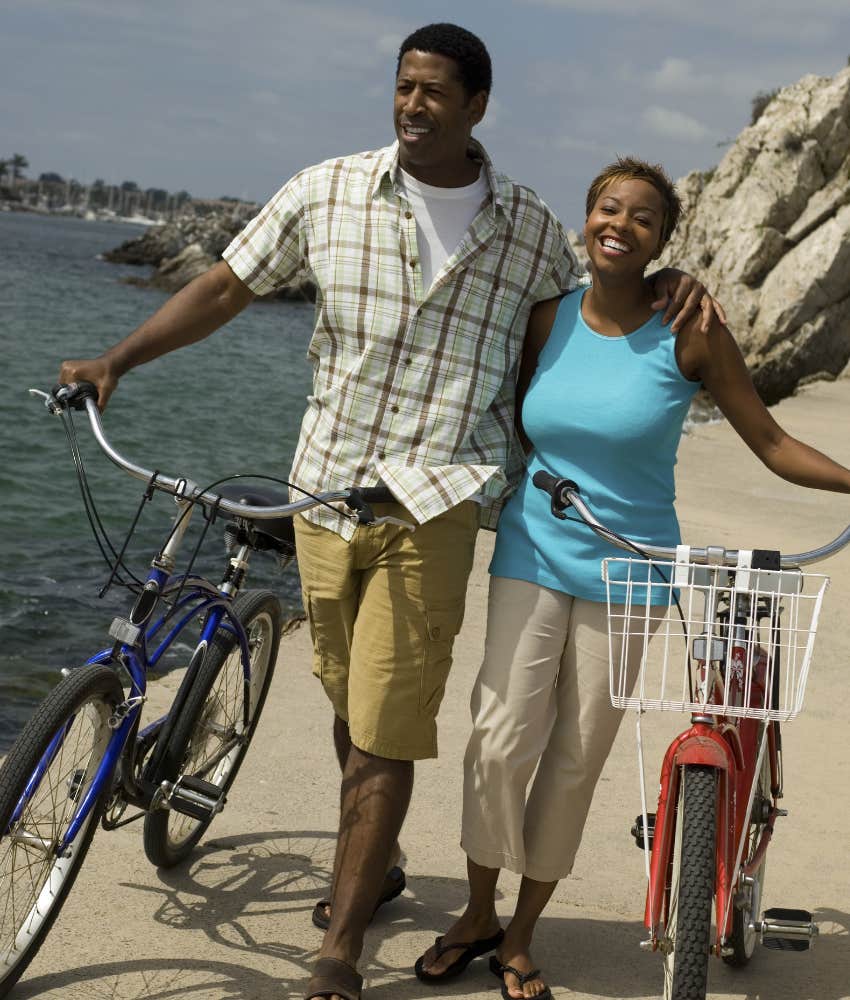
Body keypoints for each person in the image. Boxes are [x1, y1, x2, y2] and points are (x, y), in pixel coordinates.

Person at [59, 25, 717, 1000]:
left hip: (436, 508)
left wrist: (668, 288)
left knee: (384, 728)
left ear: (476, 106)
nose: (413, 104)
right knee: (347, 697)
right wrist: (118, 360)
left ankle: (341, 946)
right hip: (320, 490)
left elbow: (595, 306)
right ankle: (376, 854)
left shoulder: (527, 229)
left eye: (435, 91)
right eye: (403, 86)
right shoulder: (325, 189)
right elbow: (226, 285)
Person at [414, 156, 850, 1000]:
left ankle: (523, 937)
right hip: (532, 550)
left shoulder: (691, 331)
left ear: (663, 239)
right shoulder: (544, 321)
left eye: (642, 217)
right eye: (608, 208)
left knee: (576, 760)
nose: (620, 224)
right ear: (587, 219)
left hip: (634, 571)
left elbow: (767, 439)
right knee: (499, 741)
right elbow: (476, 404)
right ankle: (477, 912)